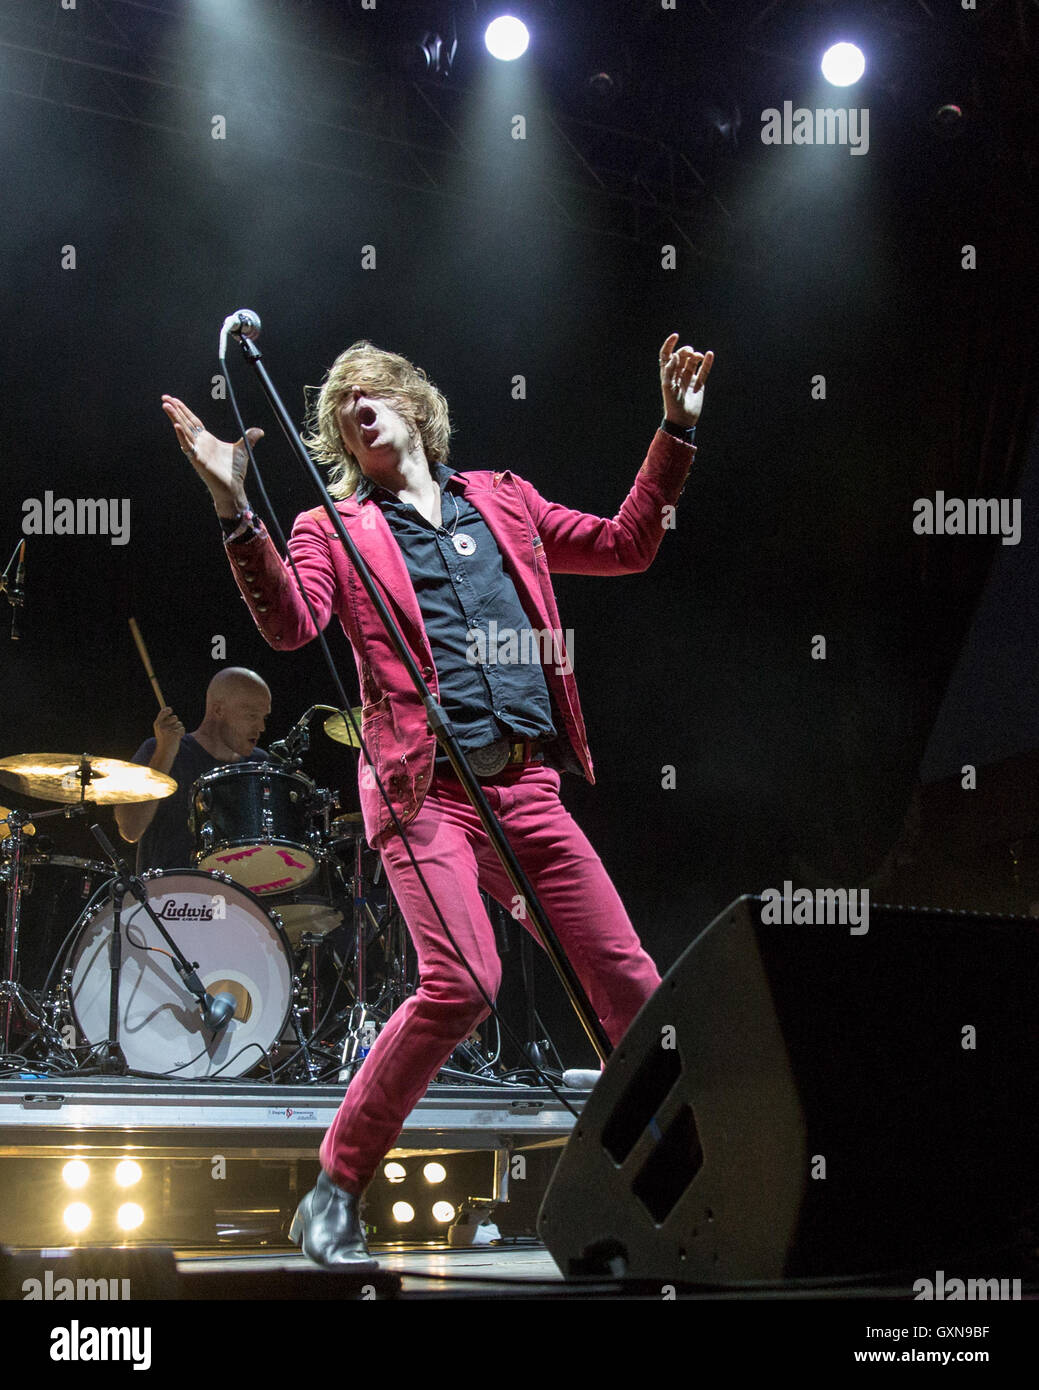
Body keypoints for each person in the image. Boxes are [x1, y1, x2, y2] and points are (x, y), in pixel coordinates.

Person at [161, 330, 713, 1269]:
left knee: (632, 987)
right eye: (340, 407)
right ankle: (334, 1189)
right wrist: (232, 507)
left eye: (369, 392)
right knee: (462, 983)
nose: (355, 409)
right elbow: (291, 625)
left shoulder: (505, 501)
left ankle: (690, 1185)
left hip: (528, 788)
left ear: (414, 405)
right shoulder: (331, 526)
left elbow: (627, 547)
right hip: (424, 794)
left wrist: (672, 430)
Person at [114, 667, 272, 872]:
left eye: (264, 718)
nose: (261, 727)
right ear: (218, 710)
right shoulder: (158, 750)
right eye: (252, 716)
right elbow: (130, 829)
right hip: (167, 898)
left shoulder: (260, 765)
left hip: (239, 897)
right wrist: (165, 753)